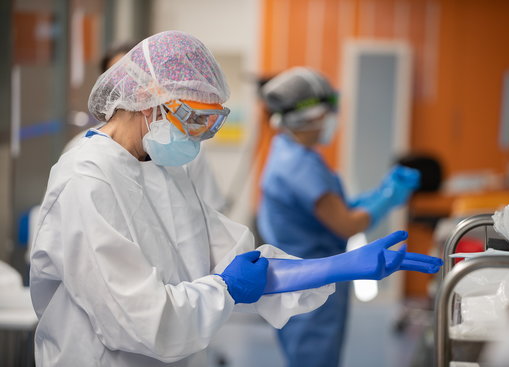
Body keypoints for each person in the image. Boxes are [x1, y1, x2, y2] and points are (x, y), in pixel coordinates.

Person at [29, 31, 440, 366]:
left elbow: (241, 266)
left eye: (207, 124)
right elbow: (145, 321)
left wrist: (338, 267)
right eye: (191, 118)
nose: (196, 136)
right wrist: (224, 289)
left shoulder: (163, 168)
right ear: (146, 99)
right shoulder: (86, 181)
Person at [257, 67, 426, 367]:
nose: (333, 119)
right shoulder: (300, 166)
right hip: (312, 284)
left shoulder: (290, 151)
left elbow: (336, 207)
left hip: (303, 275)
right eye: (329, 111)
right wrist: (389, 198)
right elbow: (346, 223)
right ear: (311, 115)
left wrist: (381, 192)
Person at [63, 40, 227, 212]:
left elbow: (208, 223)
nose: (190, 130)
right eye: (185, 115)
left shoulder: (172, 160)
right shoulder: (86, 171)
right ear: (147, 100)